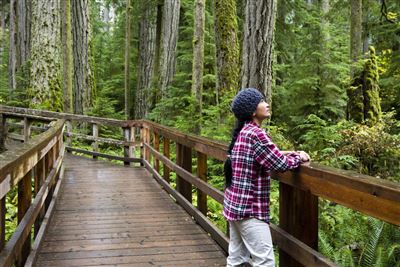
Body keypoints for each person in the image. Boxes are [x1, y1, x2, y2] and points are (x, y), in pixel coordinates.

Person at [223, 88, 310, 267]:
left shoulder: (245, 132)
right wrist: (299, 157)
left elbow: (267, 154)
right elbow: (280, 164)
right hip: (250, 209)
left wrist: (288, 152)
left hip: (235, 205)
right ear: (253, 111)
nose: (267, 104)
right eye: (262, 101)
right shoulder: (256, 134)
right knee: (265, 262)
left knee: (237, 259)